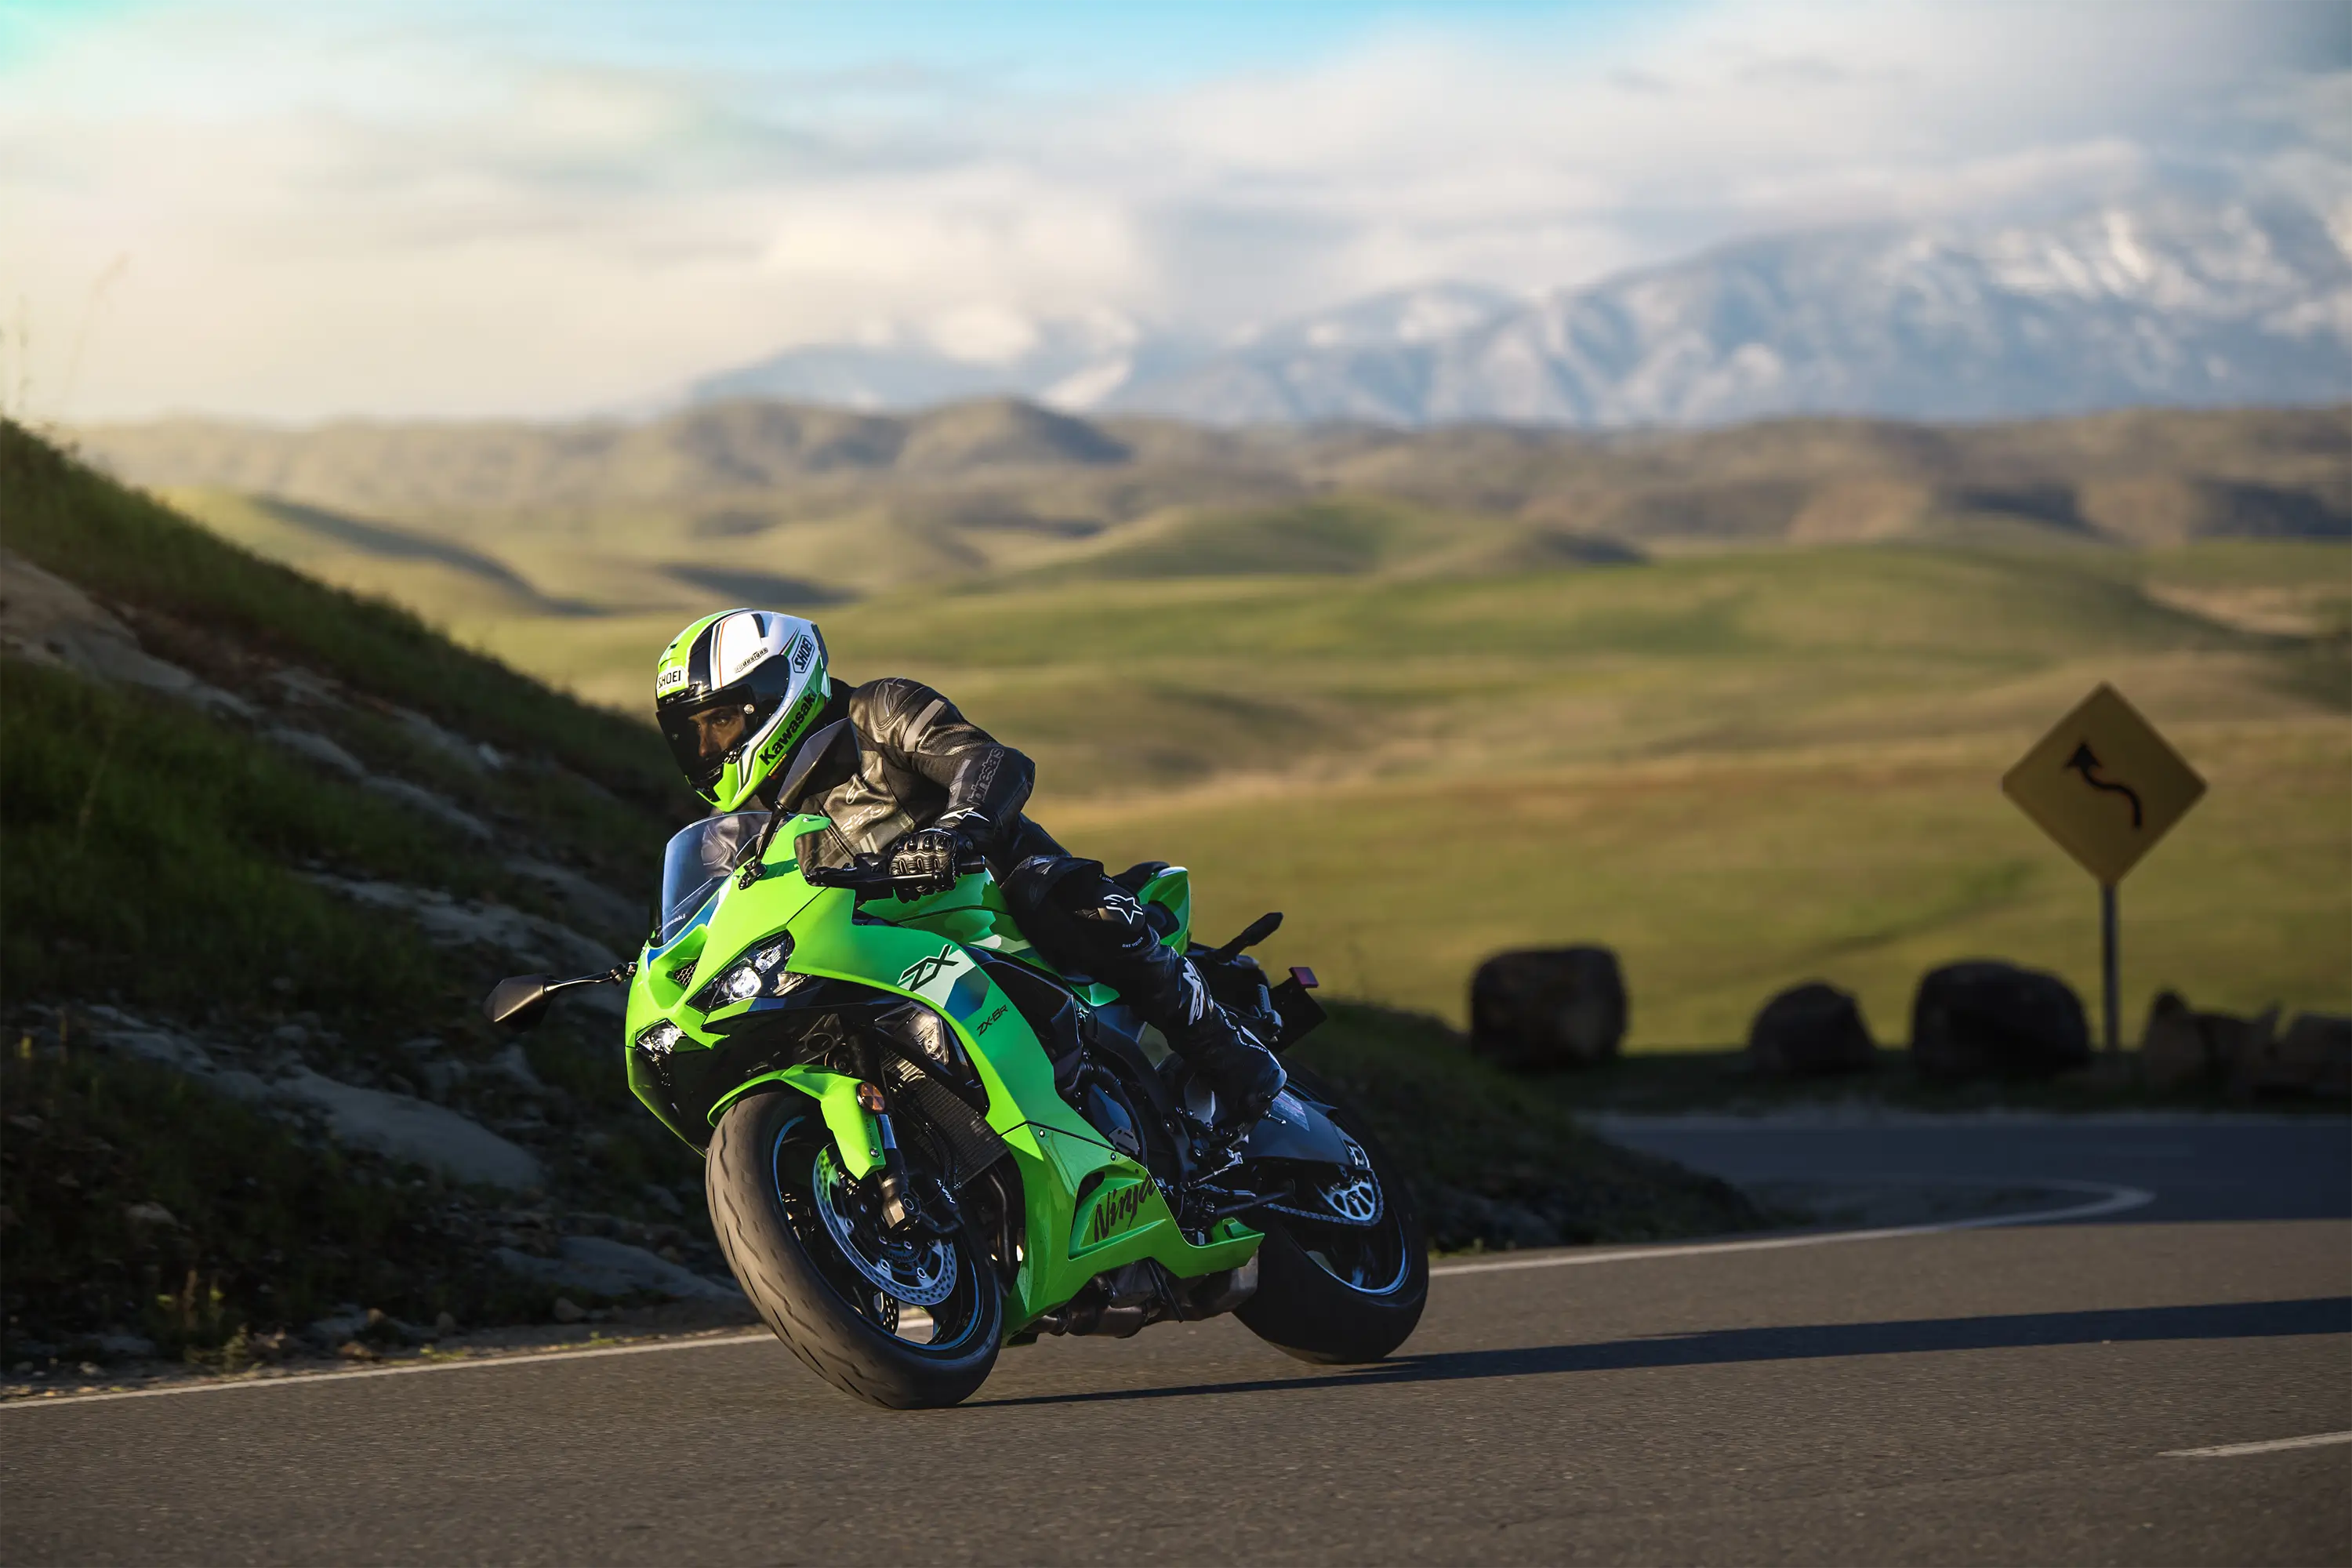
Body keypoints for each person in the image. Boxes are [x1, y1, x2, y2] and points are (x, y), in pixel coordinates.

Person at [652, 608, 1286, 1138]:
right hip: (878, 949)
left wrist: (956, 830)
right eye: (693, 735)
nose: (709, 748)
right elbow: (717, 905)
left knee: (1062, 899)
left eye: (721, 722)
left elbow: (990, 761)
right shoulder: (749, 824)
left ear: (775, 690)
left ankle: (1229, 1053)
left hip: (993, 899)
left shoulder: (879, 710)